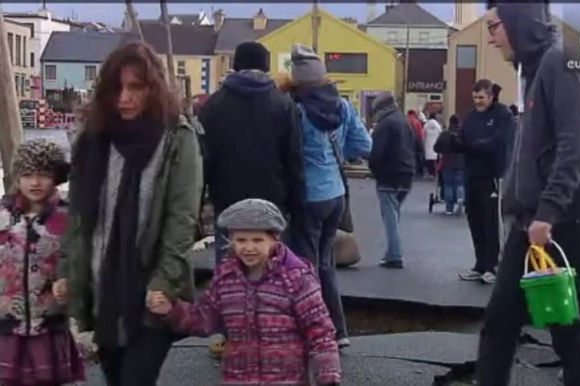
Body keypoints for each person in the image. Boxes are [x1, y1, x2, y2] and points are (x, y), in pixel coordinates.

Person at [477, 3, 580, 386]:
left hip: (563, 221)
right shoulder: (535, 68)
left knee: (567, 329)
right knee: (500, 323)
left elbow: (575, 146)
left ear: (520, 23)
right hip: (532, 222)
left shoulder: (564, 61)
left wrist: (547, 213)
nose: (491, 35)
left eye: (495, 26)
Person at [62, 41, 203, 386]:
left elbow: (181, 220)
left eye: (135, 88)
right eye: (116, 88)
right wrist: (69, 273)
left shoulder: (176, 141)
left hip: (152, 292)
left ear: (153, 89)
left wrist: (164, 283)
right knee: (115, 377)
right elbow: (79, 219)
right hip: (103, 289)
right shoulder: (93, 141)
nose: (124, 98)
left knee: (135, 379)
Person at [147, 199, 341, 386]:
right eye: (241, 240)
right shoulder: (226, 278)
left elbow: (319, 330)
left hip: (285, 379)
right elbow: (205, 319)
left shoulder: (297, 278)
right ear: (231, 240)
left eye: (257, 240)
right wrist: (173, 310)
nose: (249, 248)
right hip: (237, 378)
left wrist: (327, 375)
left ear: (274, 239)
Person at [278, 44, 372, 348]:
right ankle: (339, 331)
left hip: (309, 197)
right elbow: (365, 146)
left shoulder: (295, 110)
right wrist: (338, 152)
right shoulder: (343, 107)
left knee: (305, 267)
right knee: (326, 264)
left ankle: (314, 332)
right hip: (337, 196)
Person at [199, 41, 305, 267]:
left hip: (227, 198)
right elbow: (293, 158)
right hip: (272, 199)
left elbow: (203, 159)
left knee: (228, 270)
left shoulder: (214, 105)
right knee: (271, 268)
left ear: (236, 66)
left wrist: (201, 201)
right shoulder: (284, 105)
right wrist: (296, 203)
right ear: (265, 66)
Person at [0, 139, 84, 386]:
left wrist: (70, 281)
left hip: (48, 325)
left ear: (57, 176)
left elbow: (82, 261)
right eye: (27, 174)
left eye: (43, 174)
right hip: (5, 325)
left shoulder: (69, 216)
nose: (35, 182)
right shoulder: (2, 214)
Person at [453, 79, 514, 285]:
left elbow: (500, 141)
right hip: (471, 173)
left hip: (493, 175)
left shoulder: (503, 115)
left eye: (481, 98)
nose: (478, 102)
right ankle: (480, 265)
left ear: (490, 96)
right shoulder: (470, 117)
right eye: (475, 98)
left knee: (491, 222)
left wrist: (477, 145)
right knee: (475, 220)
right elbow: (463, 140)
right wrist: (452, 143)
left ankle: (493, 266)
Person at [368, 92, 416, 269]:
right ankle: (391, 252)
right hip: (407, 174)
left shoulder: (384, 125)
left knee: (390, 217)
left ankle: (395, 255)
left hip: (389, 175)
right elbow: (416, 145)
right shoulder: (405, 122)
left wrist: (374, 170)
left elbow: (377, 154)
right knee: (395, 215)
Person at [434, 114, 466, 215]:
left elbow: (436, 148)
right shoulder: (463, 134)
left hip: (447, 163)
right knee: (460, 184)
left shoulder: (444, 135)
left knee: (448, 185)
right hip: (461, 164)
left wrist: (443, 150)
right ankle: (460, 199)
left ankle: (449, 208)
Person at [407, 110, 425, 177]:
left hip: (408, 142)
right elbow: (420, 133)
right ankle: (420, 171)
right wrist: (421, 141)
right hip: (417, 141)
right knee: (419, 156)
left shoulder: (405, 121)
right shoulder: (416, 122)